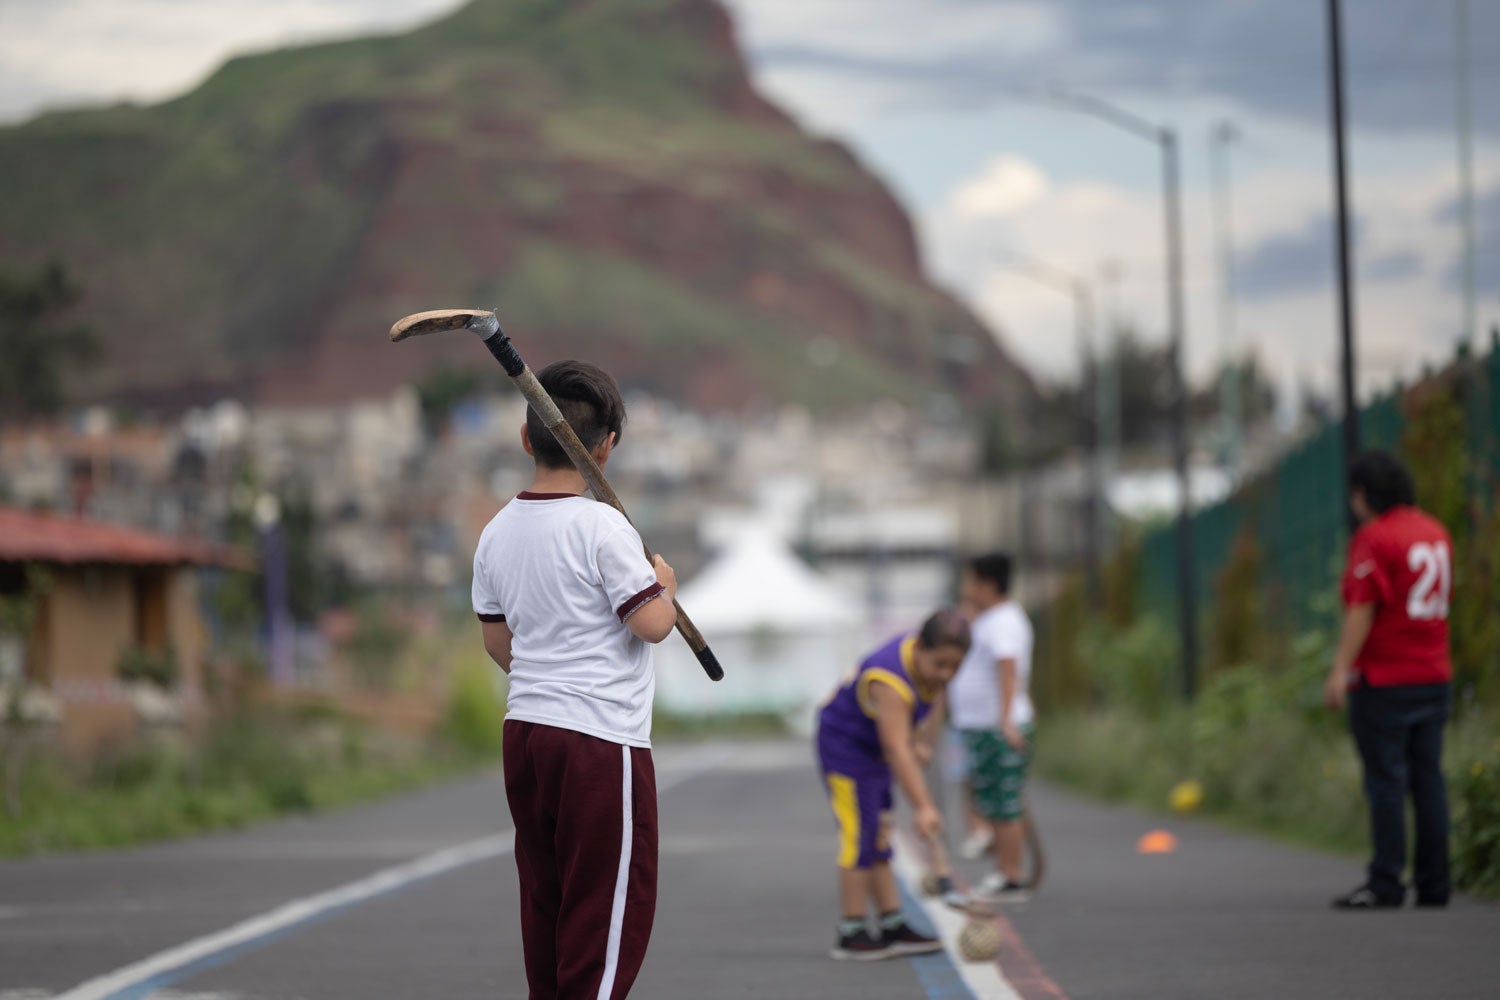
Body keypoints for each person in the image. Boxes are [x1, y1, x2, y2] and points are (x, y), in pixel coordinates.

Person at [472, 360, 679, 998]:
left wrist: (548, 668)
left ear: (526, 438)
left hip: (527, 732)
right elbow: (651, 625)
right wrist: (664, 587)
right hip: (597, 739)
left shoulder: (496, 530)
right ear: (606, 446)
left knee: (549, 898)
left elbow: (497, 641)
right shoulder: (601, 525)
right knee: (608, 907)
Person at [1323, 450, 1454, 910]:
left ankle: (1386, 881)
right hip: (1434, 673)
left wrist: (1340, 669)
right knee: (1429, 779)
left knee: (1386, 782)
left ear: (1361, 494)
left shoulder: (1375, 538)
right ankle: (1436, 884)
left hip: (1386, 678)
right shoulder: (1435, 531)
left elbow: (1363, 606)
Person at [816, 610, 971, 960]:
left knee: (880, 833)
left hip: (875, 748)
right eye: (940, 664)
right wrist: (924, 806)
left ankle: (892, 922)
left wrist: (923, 739)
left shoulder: (929, 671)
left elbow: (931, 704)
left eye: (955, 667)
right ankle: (851, 930)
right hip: (845, 748)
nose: (946, 674)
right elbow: (896, 749)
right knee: (859, 835)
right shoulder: (889, 678)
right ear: (920, 648)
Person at [948, 552, 1035, 903]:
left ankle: (1010, 877)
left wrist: (1006, 721)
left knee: (1005, 804)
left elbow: (1008, 667)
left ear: (987, 584)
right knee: (993, 803)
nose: (965, 589)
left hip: (997, 727)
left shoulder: (1003, 622)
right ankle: (1002, 871)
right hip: (980, 726)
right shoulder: (988, 619)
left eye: (970, 582)